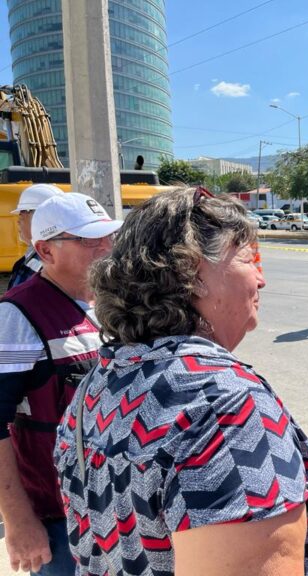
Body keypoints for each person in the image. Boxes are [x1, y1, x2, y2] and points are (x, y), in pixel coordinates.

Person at [54, 188, 308, 576]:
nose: (261, 278)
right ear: (192, 271)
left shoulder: (102, 379)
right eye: (250, 257)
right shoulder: (224, 407)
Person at [0, 192, 122, 576]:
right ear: (45, 251)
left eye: (108, 236)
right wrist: (19, 522)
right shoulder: (17, 316)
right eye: (88, 240)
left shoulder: (112, 303)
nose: (105, 248)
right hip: (61, 523)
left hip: (121, 514)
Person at [7, 183, 64, 289]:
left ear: (40, 217)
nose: (19, 221)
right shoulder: (32, 259)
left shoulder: (47, 263)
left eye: (23, 212)